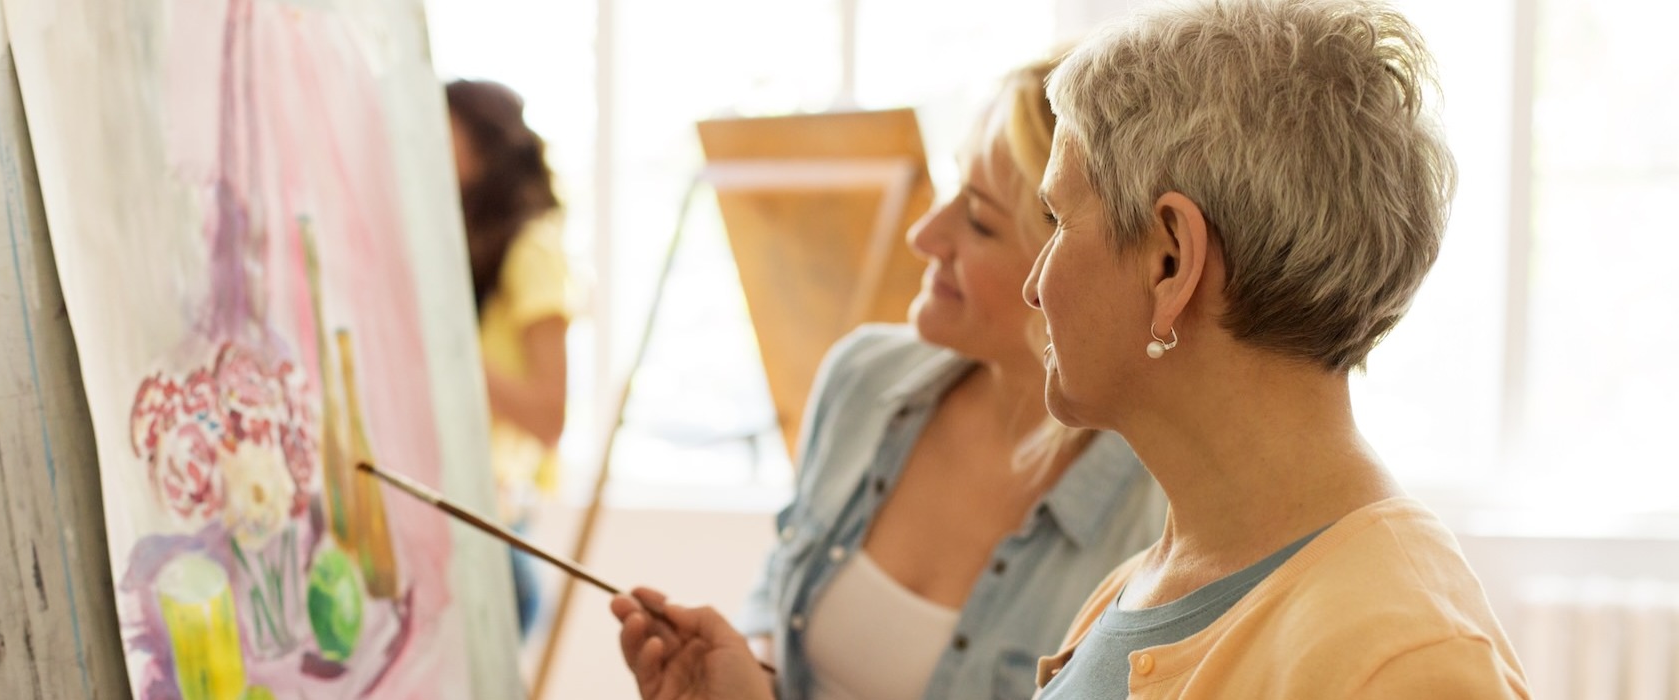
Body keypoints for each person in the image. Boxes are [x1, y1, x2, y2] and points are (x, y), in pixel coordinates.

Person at [608, 0, 1532, 697]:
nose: (1035, 282)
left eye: (1055, 220)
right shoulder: (1158, 578)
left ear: (1171, 260)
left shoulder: (1405, 662)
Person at [737, 56, 1166, 700]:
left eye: (980, 222)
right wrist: (740, 678)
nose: (923, 235)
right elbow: (777, 591)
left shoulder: (1159, 518)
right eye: (950, 192)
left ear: (1074, 270)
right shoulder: (861, 377)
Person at [445, 79, 570, 637]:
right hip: (455, 528)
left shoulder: (533, 248)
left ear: (480, 144)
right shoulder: (464, 244)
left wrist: (449, 354)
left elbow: (550, 416)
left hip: (494, 537)